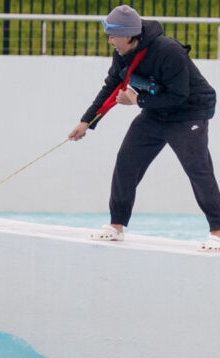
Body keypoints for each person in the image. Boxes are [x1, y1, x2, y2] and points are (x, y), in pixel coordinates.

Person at [68, 4, 220, 251]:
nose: (110, 41)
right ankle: (116, 226)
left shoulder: (169, 52)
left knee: (198, 169)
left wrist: (137, 100)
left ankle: (218, 231)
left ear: (129, 35)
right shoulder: (122, 53)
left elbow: (180, 95)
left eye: (113, 35)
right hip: (156, 112)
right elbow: (111, 86)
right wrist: (87, 121)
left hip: (188, 112)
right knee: (127, 161)